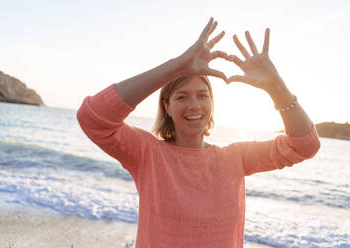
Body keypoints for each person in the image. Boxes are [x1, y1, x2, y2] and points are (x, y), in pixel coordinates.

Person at [77, 17, 320, 248]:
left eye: (202, 95)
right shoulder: (147, 153)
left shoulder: (236, 157)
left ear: (212, 103)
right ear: (167, 107)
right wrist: (176, 66)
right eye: (182, 97)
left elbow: (305, 145)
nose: (194, 105)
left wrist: (276, 86)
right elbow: (93, 117)